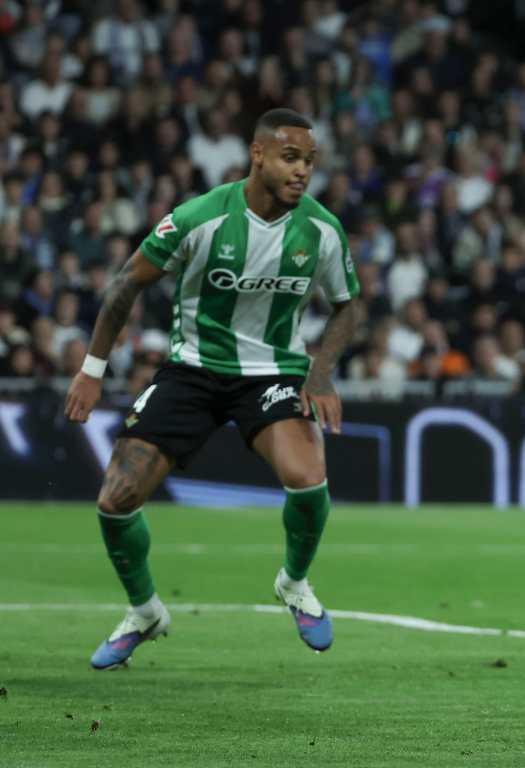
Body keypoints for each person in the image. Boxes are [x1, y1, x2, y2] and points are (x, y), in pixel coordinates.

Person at [65, 108, 361, 669]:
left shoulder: (321, 229)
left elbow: (348, 306)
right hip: (193, 370)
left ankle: (294, 582)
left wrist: (320, 373)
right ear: (258, 155)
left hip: (272, 372)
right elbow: (127, 283)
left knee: (308, 475)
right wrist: (92, 369)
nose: (302, 172)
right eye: (289, 158)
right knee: (116, 500)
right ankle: (145, 611)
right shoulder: (200, 218)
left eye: (309, 161)